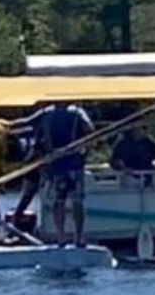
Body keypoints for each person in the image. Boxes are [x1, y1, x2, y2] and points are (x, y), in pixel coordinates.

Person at [12, 102, 94, 246]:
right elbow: (90, 130)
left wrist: (6, 124)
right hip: (73, 163)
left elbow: (25, 122)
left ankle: (61, 237)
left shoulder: (47, 113)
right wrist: (84, 149)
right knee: (76, 200)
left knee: (60, 200)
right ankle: (78, 237)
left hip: (57, 164)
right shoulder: (77, 112)